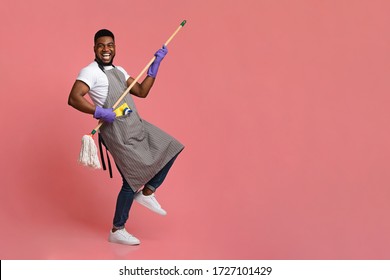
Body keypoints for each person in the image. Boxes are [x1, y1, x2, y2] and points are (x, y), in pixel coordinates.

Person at [68, 29, 184, 246]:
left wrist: (154, 68)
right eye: (101, 45)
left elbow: (141, 91)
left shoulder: (119, 70)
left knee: (171, 147)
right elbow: (73, 98)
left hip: (135, 124)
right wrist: (98, 112)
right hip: (116, 133)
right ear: (94, 47)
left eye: (110, 45)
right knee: (131, 180)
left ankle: (148, 193)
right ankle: (117, 229)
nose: (106, 49)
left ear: (115, 47)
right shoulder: (89, 72)